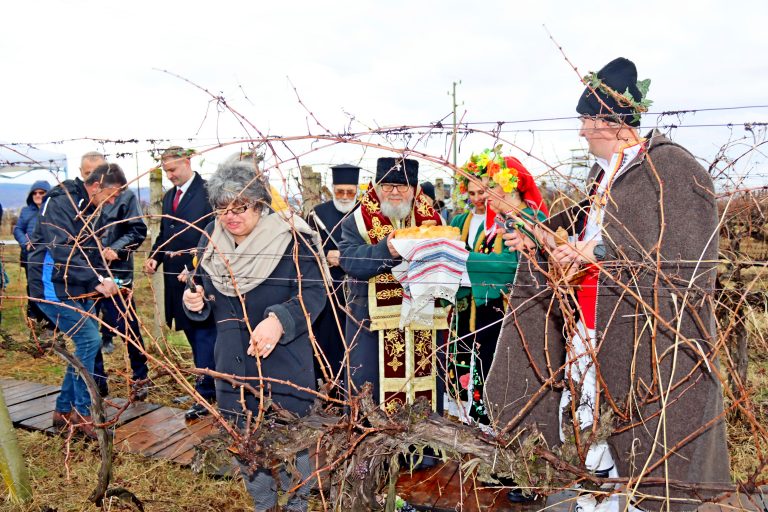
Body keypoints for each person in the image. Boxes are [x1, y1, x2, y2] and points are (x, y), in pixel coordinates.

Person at [486, 57, 730, 510]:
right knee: (593, 458)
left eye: (585, 120)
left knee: (646, 467)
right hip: (591, 342)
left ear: (608, 120)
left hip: (647, 353)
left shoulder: (672, 169)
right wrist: (541, 241)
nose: (581, 131)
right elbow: (583, 240)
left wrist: (595, 252)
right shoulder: (607, 178)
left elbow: (690, 266)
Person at [182, 160, 326, 512]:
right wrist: (195, 301)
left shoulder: (293, 241)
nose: (230, 216)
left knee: (292, 440)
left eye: (240, 207)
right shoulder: (209, 244)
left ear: (260, 205)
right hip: (233, 364)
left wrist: (280, 319)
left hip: (285, 363)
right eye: (222, 208)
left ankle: (297, 504)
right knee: (245, 440)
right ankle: (264, 504)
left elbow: (315, 294)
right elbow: (207, 302)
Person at [446, 151, 548, 425]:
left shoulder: (527, 220)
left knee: (502, 382)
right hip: (488, 312)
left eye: (491, 186)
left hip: (509, 313)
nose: (485, 194)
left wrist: (463, 257)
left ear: (510, 187)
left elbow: (513, 266)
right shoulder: (498, 224)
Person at [27, 163, 127, 439]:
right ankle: (82, 412)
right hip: (49, 283)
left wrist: (105, 276)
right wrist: (96, 281)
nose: (114, 200)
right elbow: (62, 249)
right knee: (89, 339)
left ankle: (63, 410)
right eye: (113, 194)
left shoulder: (90, 206)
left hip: (73, 284)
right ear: (96, 186)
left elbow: (88, 248)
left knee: (87, 341)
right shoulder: (61, 202)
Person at [338, 157, 445, 412]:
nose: (395, 192)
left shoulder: (435, 222)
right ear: (376, 186)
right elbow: (349, 261)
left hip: (424, 324)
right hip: (371, 326)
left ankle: (423, 453)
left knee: (423, 401)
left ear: (416, 189)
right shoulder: (357, 221)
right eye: (387, 185)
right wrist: (385, 251)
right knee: (369, 402)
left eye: (402, 186)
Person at [144, 146, 217, 420]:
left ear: (187, 162)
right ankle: (202, 384)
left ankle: (207, 392)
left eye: (173, 169)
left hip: (199, 276)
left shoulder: (209, 192)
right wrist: (155, 257)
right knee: (189, 332)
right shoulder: (168, 197)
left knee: (204, 334)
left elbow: (213, 233)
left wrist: (199, 269)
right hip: (174, 277)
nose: (170, 175)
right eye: (166, 172)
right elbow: (165, 232)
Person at [92, 178, 151, 401]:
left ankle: (140, 377)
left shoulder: (125, 196)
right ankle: (97, 380)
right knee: (89, 330)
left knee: (128, 326)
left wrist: (116, 248)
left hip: (117, 275)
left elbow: (138, 229)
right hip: (89, 274)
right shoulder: (83, 198)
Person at [306, 164, 360, 385]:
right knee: (329, 338)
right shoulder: (317, 214)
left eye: (350, 192)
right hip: (329, 288)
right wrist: (325, 255)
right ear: (332, 189)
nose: (345, 197)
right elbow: (304, 250)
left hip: (359, 288)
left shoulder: (366, 213)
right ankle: (329, 384)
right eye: (340, 192)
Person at [13, 180, 53, 330]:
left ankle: (51, 320)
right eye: (34, 193)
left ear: (47, 194)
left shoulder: (53, 211)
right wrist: (25, 243)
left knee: (48, 287)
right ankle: (35, 318)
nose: (37, 195)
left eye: (41, 192)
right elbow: (18, 229)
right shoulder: (26, 211)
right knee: (32, 286)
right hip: (29, 256)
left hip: (48, 257)